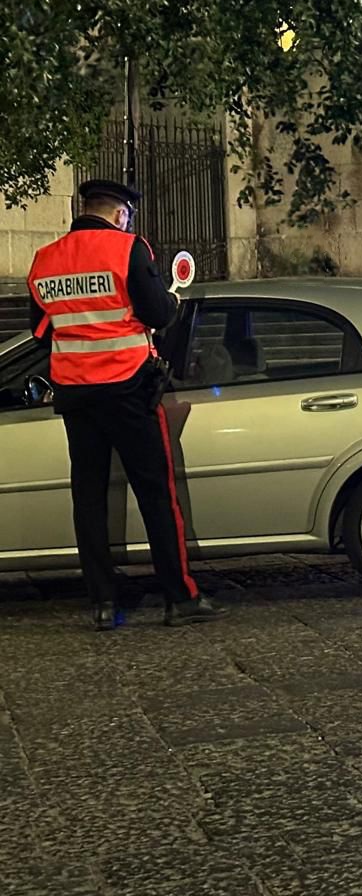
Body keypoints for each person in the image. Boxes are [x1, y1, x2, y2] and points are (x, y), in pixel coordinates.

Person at [27, 179, 225, 630]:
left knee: (88, 497)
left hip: (75, 393)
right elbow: (158, 314)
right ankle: (180, 597)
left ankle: (102, 603)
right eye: (127, 216)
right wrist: (171, 300)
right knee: (156, 493)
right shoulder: (128, 249)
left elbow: (41, 331)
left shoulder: (45, 259)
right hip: (129, 388)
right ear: (120, 214)